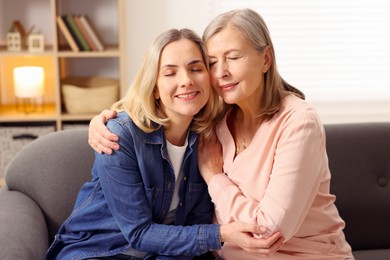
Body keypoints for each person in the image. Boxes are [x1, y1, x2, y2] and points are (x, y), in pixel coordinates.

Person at [88, 9, 354, 260]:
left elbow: (267, 229)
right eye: (212, 62)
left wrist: (214, 177)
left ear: (266, 59)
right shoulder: (214, 119)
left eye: (234, 57)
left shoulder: (298, 122)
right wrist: (104, 119)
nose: (221, 72)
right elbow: (157, 102)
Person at [46, 28, 284, 260]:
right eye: (170, 73)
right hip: (100, 250)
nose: (186, 81)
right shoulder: (120, 136)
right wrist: (221, 234)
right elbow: (139, 233)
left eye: (196, 68)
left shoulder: (209, 136)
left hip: (165, 253)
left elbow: (197, 219)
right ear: (155, 88)